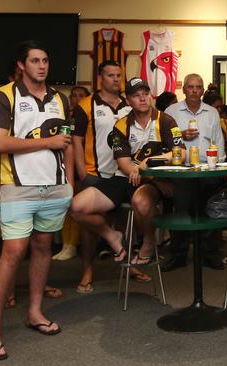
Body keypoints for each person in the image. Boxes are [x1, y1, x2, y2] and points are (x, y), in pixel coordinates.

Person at [0, 40, 74, 361]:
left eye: (45, 60)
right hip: (18, 187)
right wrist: (47, 141)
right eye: (35, 60)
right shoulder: (3, 96)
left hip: (55, 186)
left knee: (43, 247)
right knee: (13, 253)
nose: (42, 66)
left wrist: (70, 183)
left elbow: (68, 141)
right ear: (21, 64)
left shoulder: (60, 98)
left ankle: (35, 311)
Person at [70, 77, 184, 267]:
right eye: (136, 95)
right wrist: (135, 169)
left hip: (152, 181)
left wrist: (147, 163)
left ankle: (148, 242)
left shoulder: (165, 120)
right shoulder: (121, 125)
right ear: (128, 101)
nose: (142, 99)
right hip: (122, 178)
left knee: (141, 201)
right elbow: (123, 164)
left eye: (145, 94)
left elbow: (182, 153)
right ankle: (112, 236)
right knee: (76, 207)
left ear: (151, 96)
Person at [66, 60, 150, 292]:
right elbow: (75, 140)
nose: (115, 79)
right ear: (100, 78)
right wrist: (81, 171)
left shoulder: (128, 104)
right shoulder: (85, 105)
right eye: (110, 75)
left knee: (125, 221)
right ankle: (87, 270)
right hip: (94, 172)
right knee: (88, 226)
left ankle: (129, 265)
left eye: (118, 75)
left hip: (123, 174)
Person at [162, 73, 226, 272]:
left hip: (208, 169)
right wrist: (181, 135)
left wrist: (220, 167)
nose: (194, 90)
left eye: (198, 87)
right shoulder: (171, 111)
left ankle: (210, 255)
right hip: (181, 170)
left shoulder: (211, 112)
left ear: (202, 91)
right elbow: (162, 140)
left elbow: (218, 140)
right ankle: (178, 255)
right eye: (190, 87)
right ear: (184, 89)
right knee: (181, 213)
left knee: (209, 212)